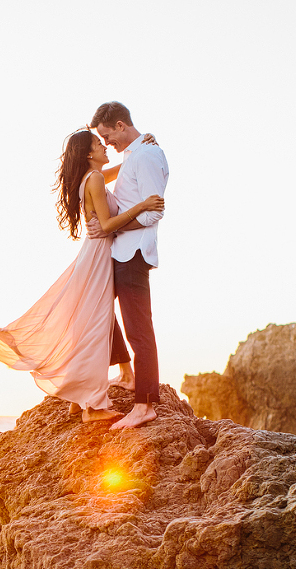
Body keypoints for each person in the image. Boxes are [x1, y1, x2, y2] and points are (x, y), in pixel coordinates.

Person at [0, 130, 164, 422]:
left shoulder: (90, 179)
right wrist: (143, 205)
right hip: (100, 256)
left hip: (94, 254)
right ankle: (92, 405)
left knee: (90, 321)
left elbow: (119, 173)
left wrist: (138, 148)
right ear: (89, 154)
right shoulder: (96, 179)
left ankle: (81, 397)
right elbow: (106, 224)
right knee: (95, 325)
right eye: (99, 144)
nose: (105, 147)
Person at [90, 100, 170, 429]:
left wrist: (112, 225)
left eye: (108, 136)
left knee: (139, 331)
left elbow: (153, 213)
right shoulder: (134, 154)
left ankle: (145, 403)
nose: (107, 143)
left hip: (134, 252)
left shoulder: (147, 155)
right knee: (95, 310)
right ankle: (125, 371)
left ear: (121, 125)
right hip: (119, 252)